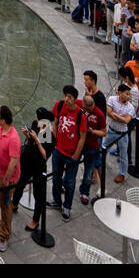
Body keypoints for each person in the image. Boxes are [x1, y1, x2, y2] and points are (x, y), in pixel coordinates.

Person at [50, 84, 87, 219]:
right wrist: (54, 142)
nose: (66, 99)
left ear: (74, 99)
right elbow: (55, 122)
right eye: (65, 96)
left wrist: (76, 155)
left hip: (71, 155)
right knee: (55, 178)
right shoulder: (59, 106)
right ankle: (56, 200)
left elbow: (83, 136)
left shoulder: (80, 115)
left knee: (70, 182)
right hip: (58, 151)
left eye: (69, 97)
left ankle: (67, 206)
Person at [0, 105, 21, 252]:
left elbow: (13, 161)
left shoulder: (14, 138)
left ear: (3, 120)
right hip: (1, 173)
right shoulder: (1, 130)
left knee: (7, 205)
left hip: (9, 178)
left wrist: (6, 179)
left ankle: (5, 235)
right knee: (3, 203)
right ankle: (3, 223)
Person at [102, 81, 136, 184]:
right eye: (127, 93)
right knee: (103, 149)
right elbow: (108, 113)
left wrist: (115, 115)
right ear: (120, 93)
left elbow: (127, 121)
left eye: (129, 94)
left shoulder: (130, 107)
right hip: (111, 130)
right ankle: (98, 165)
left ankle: (122, 173)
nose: (128, 96)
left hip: (122, 133)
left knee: (123, 155)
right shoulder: (112, 99)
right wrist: (120, 117)